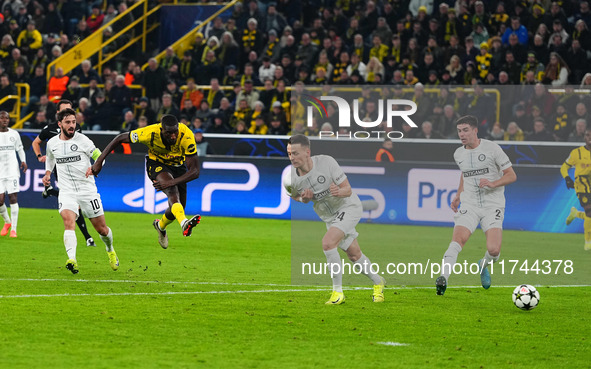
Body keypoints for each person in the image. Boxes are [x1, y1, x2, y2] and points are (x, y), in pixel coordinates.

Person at [286, 134, 385, 304]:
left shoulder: (326, 162)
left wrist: (339, 192)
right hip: (330, 217)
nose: (291, 158)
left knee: (327, 243)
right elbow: (296, 197)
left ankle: (337, 293)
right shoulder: (290, 179)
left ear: (307, 152)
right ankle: (378, 282)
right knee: (354, 255)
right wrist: (305, 199)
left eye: (295, 153)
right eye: (289, 153)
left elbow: (347, 188)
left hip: (348, 207)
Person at [90, 114, 201, 249]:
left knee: (178, 207)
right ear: (161, 130)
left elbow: (195, 171)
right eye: (169, 133)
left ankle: (160, 226)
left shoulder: (186, 136)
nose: (173, 136)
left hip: (178, 166)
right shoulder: (149, 132)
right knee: (173, 193)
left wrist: (172, 181)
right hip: (157, 163)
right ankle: (184, 223)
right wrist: (99, 161)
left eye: (175, 132)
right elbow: (120, 138)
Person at [435, 115, 517, 295]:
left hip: (492, 204)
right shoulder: (458, 153)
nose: (461, 134)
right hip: (469, 203)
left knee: (494, 250)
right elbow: (465, 174)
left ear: (475, 130)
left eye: (465, 130)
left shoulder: (492, 148)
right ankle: (443, 278)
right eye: (459, 131)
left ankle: (484, 264)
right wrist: (458, 195)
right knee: (458, 241)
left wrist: (493, 184)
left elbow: (511, 175)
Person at [42, 108, 119, 274]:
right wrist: (48, 173)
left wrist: (94, 167)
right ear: (60, 124)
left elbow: (100, 157)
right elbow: (50, 159)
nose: (72, 126)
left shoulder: (83, 140)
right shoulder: (52, 143)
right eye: (68, 122)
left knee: (102, 229)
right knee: (68, 222)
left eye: (74, 122)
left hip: (87, 190)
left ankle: (110, 249)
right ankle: (72, 259)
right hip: (67, 190)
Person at [31, 99, 96, 247]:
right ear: (58, 115)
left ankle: (50, 191)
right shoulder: (49, 129)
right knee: (75, 205)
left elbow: (82, 146)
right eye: (64, 111)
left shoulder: (76, 128)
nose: (69, 119)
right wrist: (39, 156)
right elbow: (36, 143)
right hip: (59, 170)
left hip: (75, 170)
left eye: (70, 110)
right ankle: (87, 237)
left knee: (74, 204)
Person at [562, 128, 591, 250]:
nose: (590, 137)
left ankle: (576, 214)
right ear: (584, 137)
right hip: (581, 184)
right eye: (588, 135)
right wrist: (567, 178)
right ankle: (588, 242)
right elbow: (564, 167)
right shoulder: (576, 153)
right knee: (590, 211)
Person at [0, 111, 27, 238]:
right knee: (0, 201)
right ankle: (7, 222)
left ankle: (14, 230)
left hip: (12, 171)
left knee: (13, 198)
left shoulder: (14, 134)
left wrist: (23, 161)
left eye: (7, 118)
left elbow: (20, 148)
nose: (5, 120)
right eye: (2, 118)